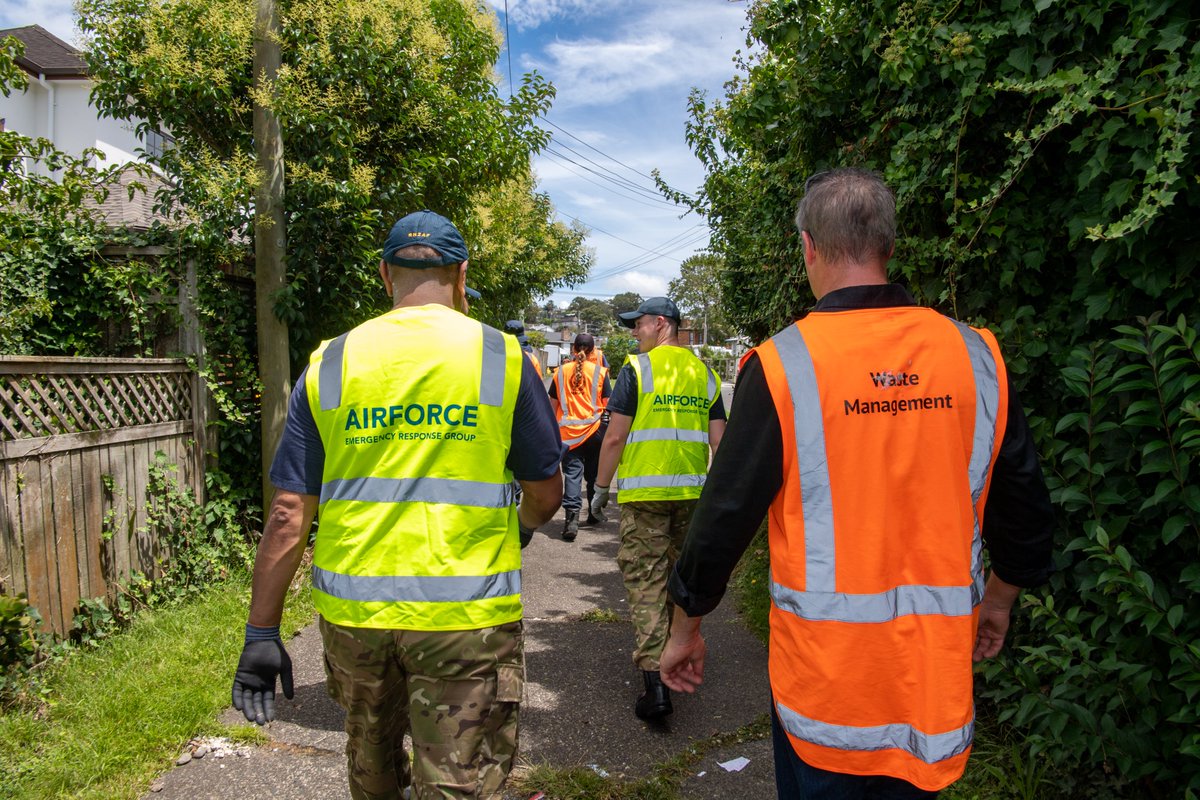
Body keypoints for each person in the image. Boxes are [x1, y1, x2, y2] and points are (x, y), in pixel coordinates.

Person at [658, 169, 1054, 798]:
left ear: (808, 248)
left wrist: (685, 627)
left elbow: (722, 517)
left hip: (825, 699)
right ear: (889, 248)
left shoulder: (783, 364)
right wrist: (999, 600)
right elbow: (1026, 512)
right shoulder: (976, 357)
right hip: (932, 695)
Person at [230, 209, 564, 800]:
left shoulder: (329, 362)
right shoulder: (503, 357)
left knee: (371, 763)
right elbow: (546, 492)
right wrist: (521, 524)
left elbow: (288, 513)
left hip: (355, 620)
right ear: (462, 274)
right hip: (465, 622)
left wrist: (262, 630)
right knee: (460, 780)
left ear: (386, 275)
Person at [589, 296, 726, 720]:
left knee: (646, 582)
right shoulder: (704, 373)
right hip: (692, 496)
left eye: (639, 324)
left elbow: (614, 438)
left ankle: (655, 684)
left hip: (645, 498)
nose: (634, 332)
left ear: (661, 324)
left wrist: (600, 488)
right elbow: (719, 441)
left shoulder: (637, 369)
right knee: (679, 580)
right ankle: (674, 656)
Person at [548, 333, 611, 541]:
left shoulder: (559, 373)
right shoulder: (601, 373)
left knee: (572, 476)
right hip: (595, 432)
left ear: (574, 349)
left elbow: (552, 407)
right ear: (594, 351)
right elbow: (609, 405)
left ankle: (571, 521)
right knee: (593, 475)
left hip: (568, 435)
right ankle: (593, 513)